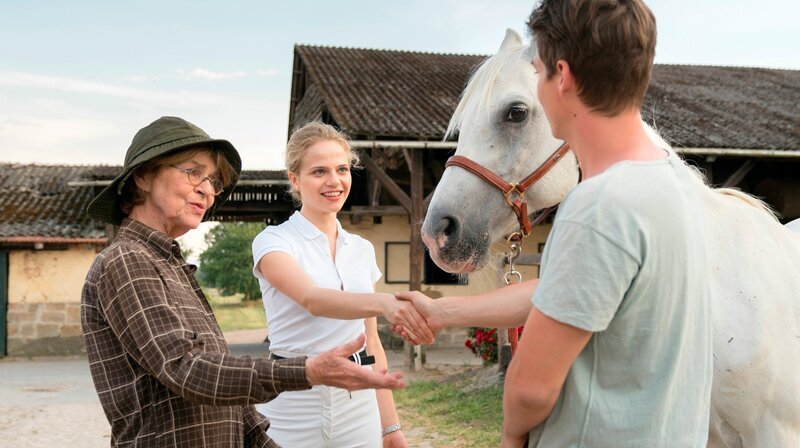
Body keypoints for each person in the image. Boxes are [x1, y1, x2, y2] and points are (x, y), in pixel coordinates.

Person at [397, 1, 714, 447]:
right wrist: (446, 311)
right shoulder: (676, 187)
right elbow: (572, 292)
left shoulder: (597, 207)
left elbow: (530, 389)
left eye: (540, 70)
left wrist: (510, 433)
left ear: (561, 77)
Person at [81, 116, 405, 448]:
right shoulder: (127, 260)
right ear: (143, 175)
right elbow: (188, 370)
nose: (206, 189)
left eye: (213, 181)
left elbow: (225, 387)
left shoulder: (170, 263)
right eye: (193, 172)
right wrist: (308, 371)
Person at [251, 122, 431, 447]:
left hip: (357, 404)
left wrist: (390, 428)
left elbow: (371, 343)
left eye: (342, 169)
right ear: (295, 179)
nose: (334, 181)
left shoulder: (362, 249)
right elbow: (312, 299)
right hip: (292, 402)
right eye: (319, 171)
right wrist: (387, 303)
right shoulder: (273, 241)